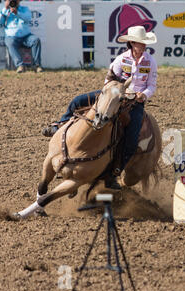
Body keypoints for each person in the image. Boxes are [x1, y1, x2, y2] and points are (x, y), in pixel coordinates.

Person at [42, 25, 158, 190]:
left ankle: (114, 172)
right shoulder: (121, 59)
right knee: (77, 101)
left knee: (132, 139)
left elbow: (151, 86)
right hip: (115, 94)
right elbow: (108, 79)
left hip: (134, 103)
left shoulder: (150, 62)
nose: (143, 46)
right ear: (132, 43)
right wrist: (114, 91)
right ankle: (59, 125)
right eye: (140, 43)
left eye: (144, 43)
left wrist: (143, 95)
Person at [0, 0, 43, 73]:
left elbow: (28, 18)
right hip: (11, 37)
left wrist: (17, 13)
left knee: (36, 40)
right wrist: (5, 9)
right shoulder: (5, 11)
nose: (13, 2)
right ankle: (20, 65)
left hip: (26, 36)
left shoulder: (24, 9)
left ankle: (37, 65)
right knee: (10, 43)